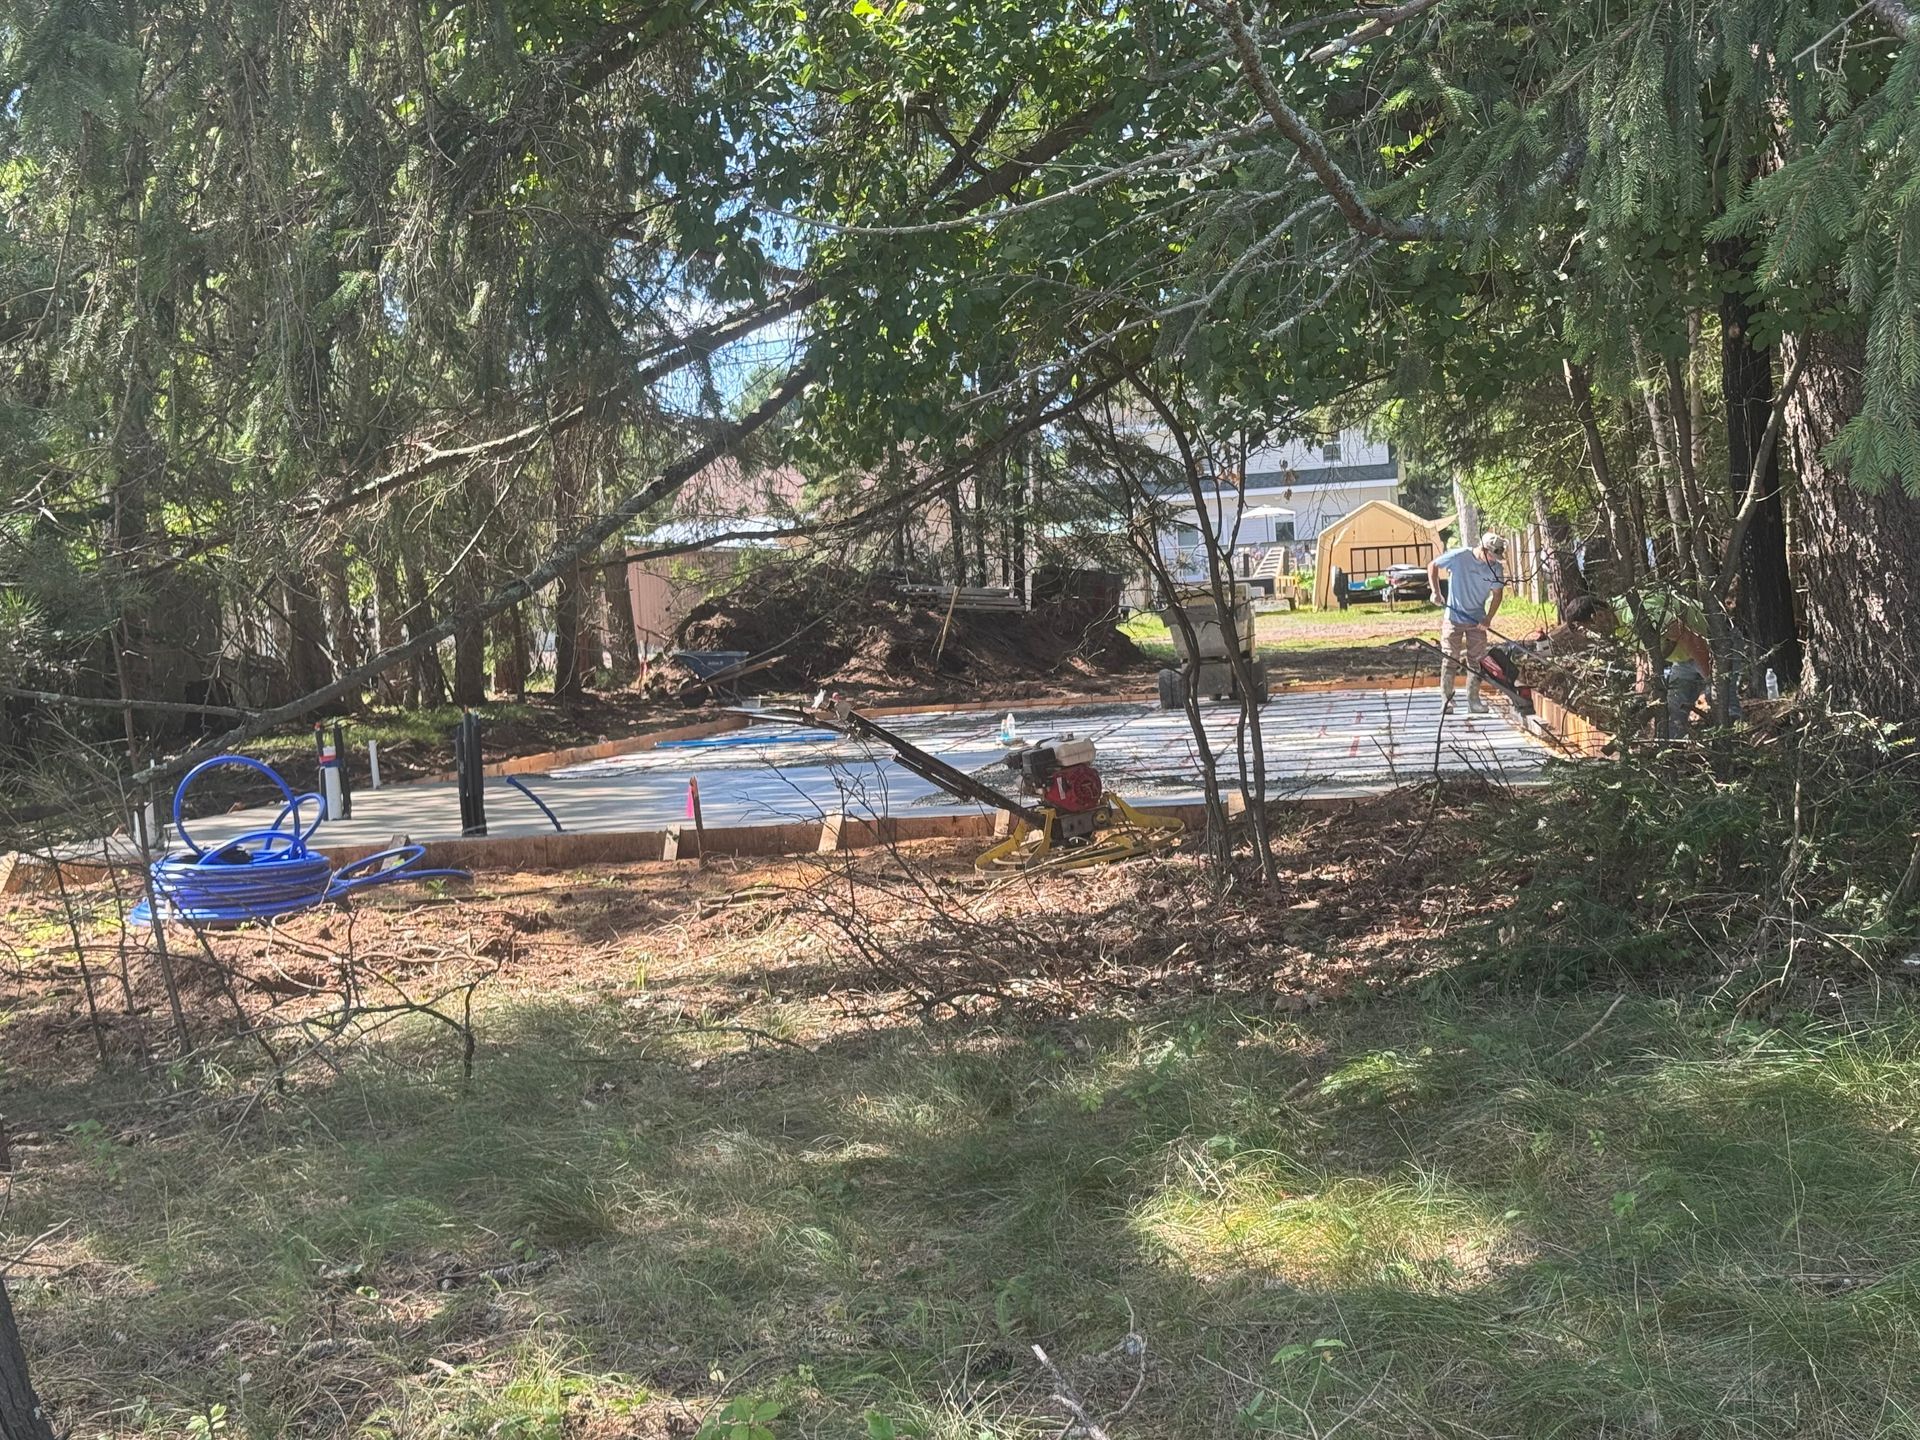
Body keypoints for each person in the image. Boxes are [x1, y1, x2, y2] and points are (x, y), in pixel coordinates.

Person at [1563, 591, 1740, 736]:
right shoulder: (1614, 623)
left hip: (1716, 643)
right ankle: (1676, 760)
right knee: (1673, 712)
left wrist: (1712, 678)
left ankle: (1737, 750)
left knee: (1721, 703)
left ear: (1598, 615)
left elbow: (1689, 636)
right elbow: (1643, 652)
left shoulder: (1635, 613)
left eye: (1590, 629)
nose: (1595, 635)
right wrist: (1641, 695)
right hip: (1684, 658)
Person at [1427, 533, 1507, 713]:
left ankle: (1473, 700)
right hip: (1453, 618)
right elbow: (1433, 565)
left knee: (1477, 659)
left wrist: (1488, 619)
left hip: (1477, 620)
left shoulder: (1496, 569)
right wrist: (1436, 592)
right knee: (1450, 657)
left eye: (1497, 558)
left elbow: (1497, 595)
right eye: (1492, 556)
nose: (1494, 561)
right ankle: (1447, 700)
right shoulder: (1459, 557)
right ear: (1484, 549)